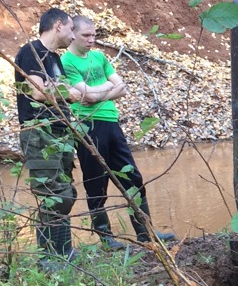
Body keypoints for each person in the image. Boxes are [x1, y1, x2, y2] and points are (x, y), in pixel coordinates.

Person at [60, 15, 176, 248]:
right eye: (86, 35)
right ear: (73, 34)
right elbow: (88, 97)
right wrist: (104, 90)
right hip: (88, 125)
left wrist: (96, 93)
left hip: (112, 122)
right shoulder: (67, 62)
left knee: (133, 177)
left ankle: (146, 234)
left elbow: (120, 88)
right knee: (96, 182)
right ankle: (106, 239)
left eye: (94, 35)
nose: (91, 40)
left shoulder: (99, 57)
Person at [15, 8, 117, 261]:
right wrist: (63, 90)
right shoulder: (31, 53)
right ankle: (50, 259)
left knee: (65, 194)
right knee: (52, 196)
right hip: (40, 132)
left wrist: (60, 88)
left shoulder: (54, 59)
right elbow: (38, 92)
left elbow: (70, 91)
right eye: (71, 29)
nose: (73, 36)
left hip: (61, 133)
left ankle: (63, 252)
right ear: (58, 25)